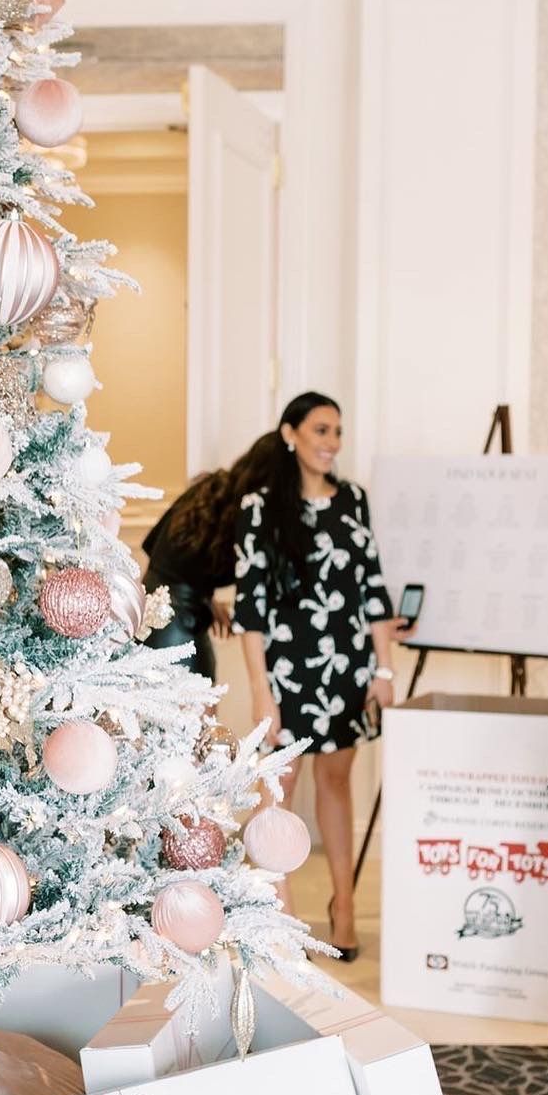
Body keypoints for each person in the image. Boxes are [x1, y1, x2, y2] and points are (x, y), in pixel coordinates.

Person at [231, 392, 401, 961]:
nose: (332, 443)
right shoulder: (258, 507)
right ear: (291, 434)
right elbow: (251, 608)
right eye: (321, 430)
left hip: (347, 664)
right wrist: (261, 689)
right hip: (286, 668)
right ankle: (279, 909)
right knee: (277, 789)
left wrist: (383, 668)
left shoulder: (353, 500)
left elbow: (373, 588)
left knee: (336, 782)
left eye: (338, 432)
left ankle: (344, 906)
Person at [141, 452, 273, 680]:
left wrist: (206, 600)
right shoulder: (248, 516)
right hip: (179, 630)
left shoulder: (210, 490)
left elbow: (155, 547)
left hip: (149, 613)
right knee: (193, 700)